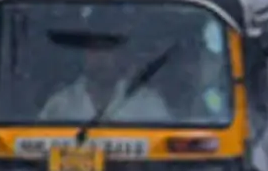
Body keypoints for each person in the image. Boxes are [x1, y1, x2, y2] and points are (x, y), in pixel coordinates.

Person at [38, 44, 171, 123]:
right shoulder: (60, 104)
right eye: (95, 50)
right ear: (84, 56)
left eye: (108, 50)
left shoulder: (147, 103)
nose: (102, 58)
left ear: (121, 56)